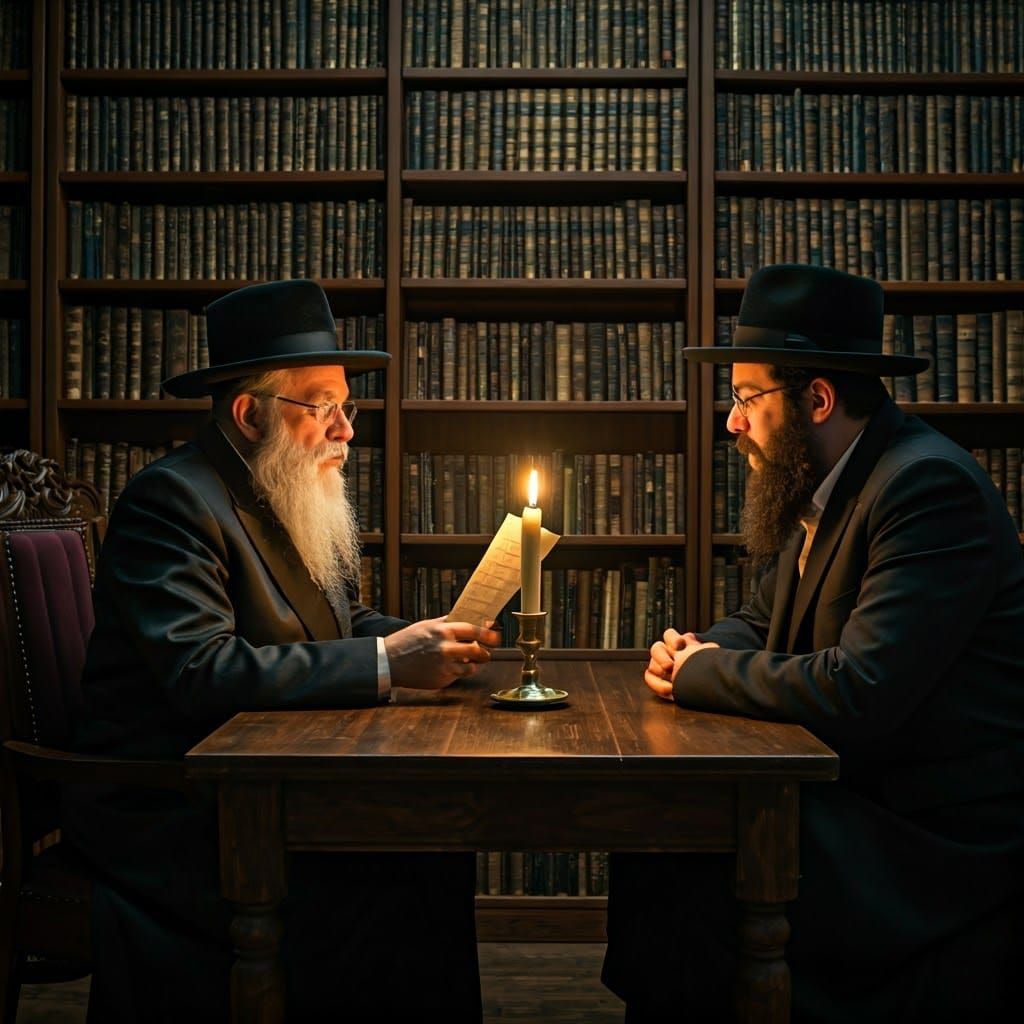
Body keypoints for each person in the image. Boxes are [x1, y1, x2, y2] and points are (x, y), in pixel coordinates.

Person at [63, 278, 500, 1023]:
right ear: (249, 412)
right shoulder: (171, 503)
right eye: (322, 406)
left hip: (257, 784)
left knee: (430, 850)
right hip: (169, 804)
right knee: (406, 871)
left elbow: (336, 619)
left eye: (344, 406)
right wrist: (392, 664)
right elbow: (204, 672)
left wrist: (431, 636)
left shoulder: (278, 483)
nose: (345, 430)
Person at [602, 264, 1024, 1022]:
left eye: (744, 398)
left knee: (679, 849)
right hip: (856, 792)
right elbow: (761, 624)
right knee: (661, 827)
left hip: (923, 838)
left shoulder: (927, 489)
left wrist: (703, 675)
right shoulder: (837, 479)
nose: (731, 423)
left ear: (817, 400)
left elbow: (857, 690)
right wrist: (693, 648)